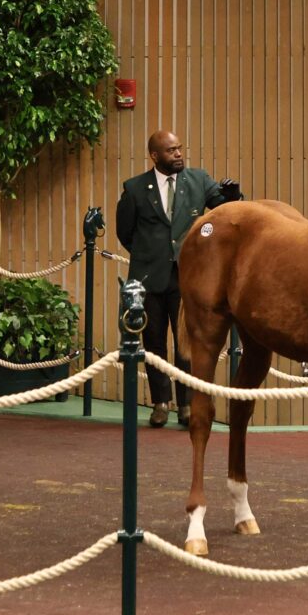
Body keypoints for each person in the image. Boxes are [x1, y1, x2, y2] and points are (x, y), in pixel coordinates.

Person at [116, 130, 243, 428]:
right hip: (149, 277)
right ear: (155, 156)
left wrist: (233, 194)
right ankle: (161, 403)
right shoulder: (135, 189)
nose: (178, 154)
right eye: (171, 150)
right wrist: (150, 255)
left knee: (186, 342)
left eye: (179, 148)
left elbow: (224, 208)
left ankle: (186, 405)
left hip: (189, 277)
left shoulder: (199, 180)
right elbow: (125, 232)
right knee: (154, 343)